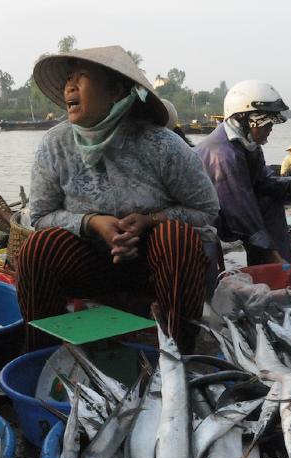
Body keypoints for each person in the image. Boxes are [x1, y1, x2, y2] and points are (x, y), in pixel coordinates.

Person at [21, 45, 220, 353]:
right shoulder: (55, 145)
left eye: (82, 78)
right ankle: (40, 355)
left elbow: (206, 210)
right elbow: (40, 216)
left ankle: (179, 352)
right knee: (38, 247)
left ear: (114, 90)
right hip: (90, 263)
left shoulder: (161, 144)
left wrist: (151, 221)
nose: (69, 87)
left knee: (177, 238)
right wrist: (91, 223)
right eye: (68, 80)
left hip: (153, 267)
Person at [195, 80, 291, 266]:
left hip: (227, 211)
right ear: (247, 120)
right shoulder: (223, 155)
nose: (270, 129)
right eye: (267, 123)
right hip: (205, 217)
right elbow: (239, 210)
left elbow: (262, 181)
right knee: (260, 232)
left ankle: (277, 270)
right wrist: (268, 250)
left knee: (270, 202)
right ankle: (275, 268)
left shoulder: (247, 144)